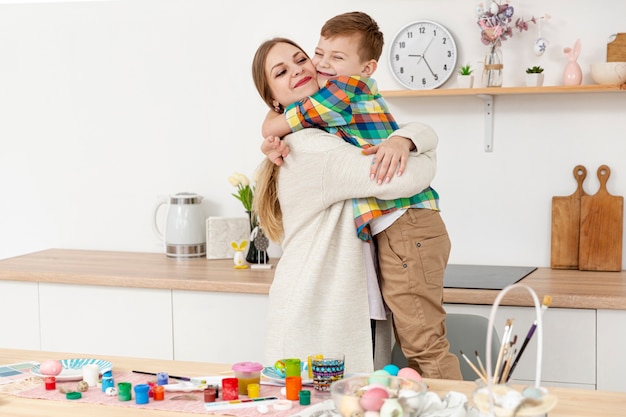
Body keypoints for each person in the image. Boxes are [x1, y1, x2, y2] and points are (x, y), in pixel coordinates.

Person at [257, 12, 462, 380]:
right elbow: (403, 177)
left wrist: (406, 138)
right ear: (273, 99)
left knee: (421, 351)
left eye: (301, 59)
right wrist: (422, 148)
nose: (303, 69)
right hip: (318, 307)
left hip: (327, 298)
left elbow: (394, 138)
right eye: (281, 72)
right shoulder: (311, 148)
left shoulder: (332, 121)